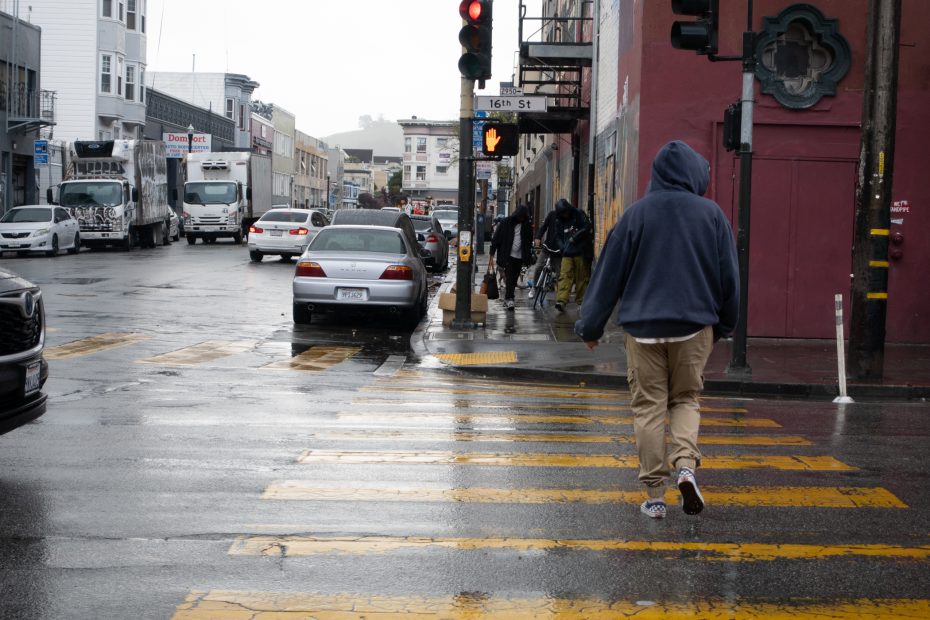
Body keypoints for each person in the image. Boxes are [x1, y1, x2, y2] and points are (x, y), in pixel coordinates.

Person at [574, 140, 739, 519]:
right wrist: (725, 325)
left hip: (643, 328)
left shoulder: (635, 215)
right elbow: (729, 278)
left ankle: (654, 496)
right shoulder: (712, 215)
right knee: (685, 399)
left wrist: (590, 327)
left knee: (648, 408)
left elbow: (607, 275)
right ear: (696, 175)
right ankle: (685, 466)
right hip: (695, 327)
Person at [489, 205, 533, 311]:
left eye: (523, 217)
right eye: (520, 217)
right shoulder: (506, 223)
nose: (521, 219)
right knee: (509, 277)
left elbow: (527, 242)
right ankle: (509, 299)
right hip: (507, 255)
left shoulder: (526, 225)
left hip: (519, 256)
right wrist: (492, 254)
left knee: (514, 278)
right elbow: (496, 238)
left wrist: (528, 257)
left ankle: (509, 298)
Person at [553, 199, 592, 312]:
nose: (565, 215)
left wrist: (575, 238)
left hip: (580, 251)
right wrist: (562, 248)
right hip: (567, 252)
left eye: (566, 212)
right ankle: (561, 300)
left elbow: (586, 227)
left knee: (581, 278)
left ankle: (581, 301)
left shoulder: (578, 214)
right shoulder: (559, 220)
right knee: (564, 276)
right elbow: (557, 236)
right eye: (563, 213)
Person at [529, 199, 564, 299]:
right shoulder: (552, 215)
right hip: (547, 247)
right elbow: (544, 227)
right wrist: (538, 237)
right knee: (538, 267)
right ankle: (534, 287)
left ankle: (560, 296)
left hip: (559, 251)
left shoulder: (566, 219)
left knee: (560, 273)